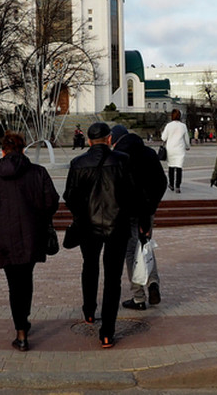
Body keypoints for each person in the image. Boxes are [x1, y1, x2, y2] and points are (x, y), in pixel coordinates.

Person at [0, 132, 59, 352]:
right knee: (26, 279)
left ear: (2, 151)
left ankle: (21, 331)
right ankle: (24, 320)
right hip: (32, 235)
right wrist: (39, 214)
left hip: (5, 237)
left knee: (14, 285)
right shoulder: (38, 172)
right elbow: (52, 201)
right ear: (23, 150)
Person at [64, 122, 145, 349]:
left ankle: (89, 310)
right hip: (116, 226)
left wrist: (82, 213)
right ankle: (107, 332)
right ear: (109, 139)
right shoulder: (122, 160)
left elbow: (69, 196)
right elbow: (133, 194)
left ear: (89, 141)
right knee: (112, 278)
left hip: (88, 226)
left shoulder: (78, 163)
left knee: (89, 267)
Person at [112, 125, 166, 312]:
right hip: (147, 210)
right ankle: (153, 282)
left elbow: (117, 187)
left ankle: (138, 296)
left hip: (128, 212)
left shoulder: (119, 157)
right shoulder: (149, 153)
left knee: (130, 252)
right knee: (145, 247)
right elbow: (162, 182)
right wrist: (151, 207)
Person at [160, 109, 190, 194]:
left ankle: (171, 184)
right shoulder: (183, 126)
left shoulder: (169, 125)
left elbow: (163, 138)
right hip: (180, 149)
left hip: (171, 149)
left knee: (171, 167)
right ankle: (178, 186)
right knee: (179, 168)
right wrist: (188, 146)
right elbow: (186, 138)